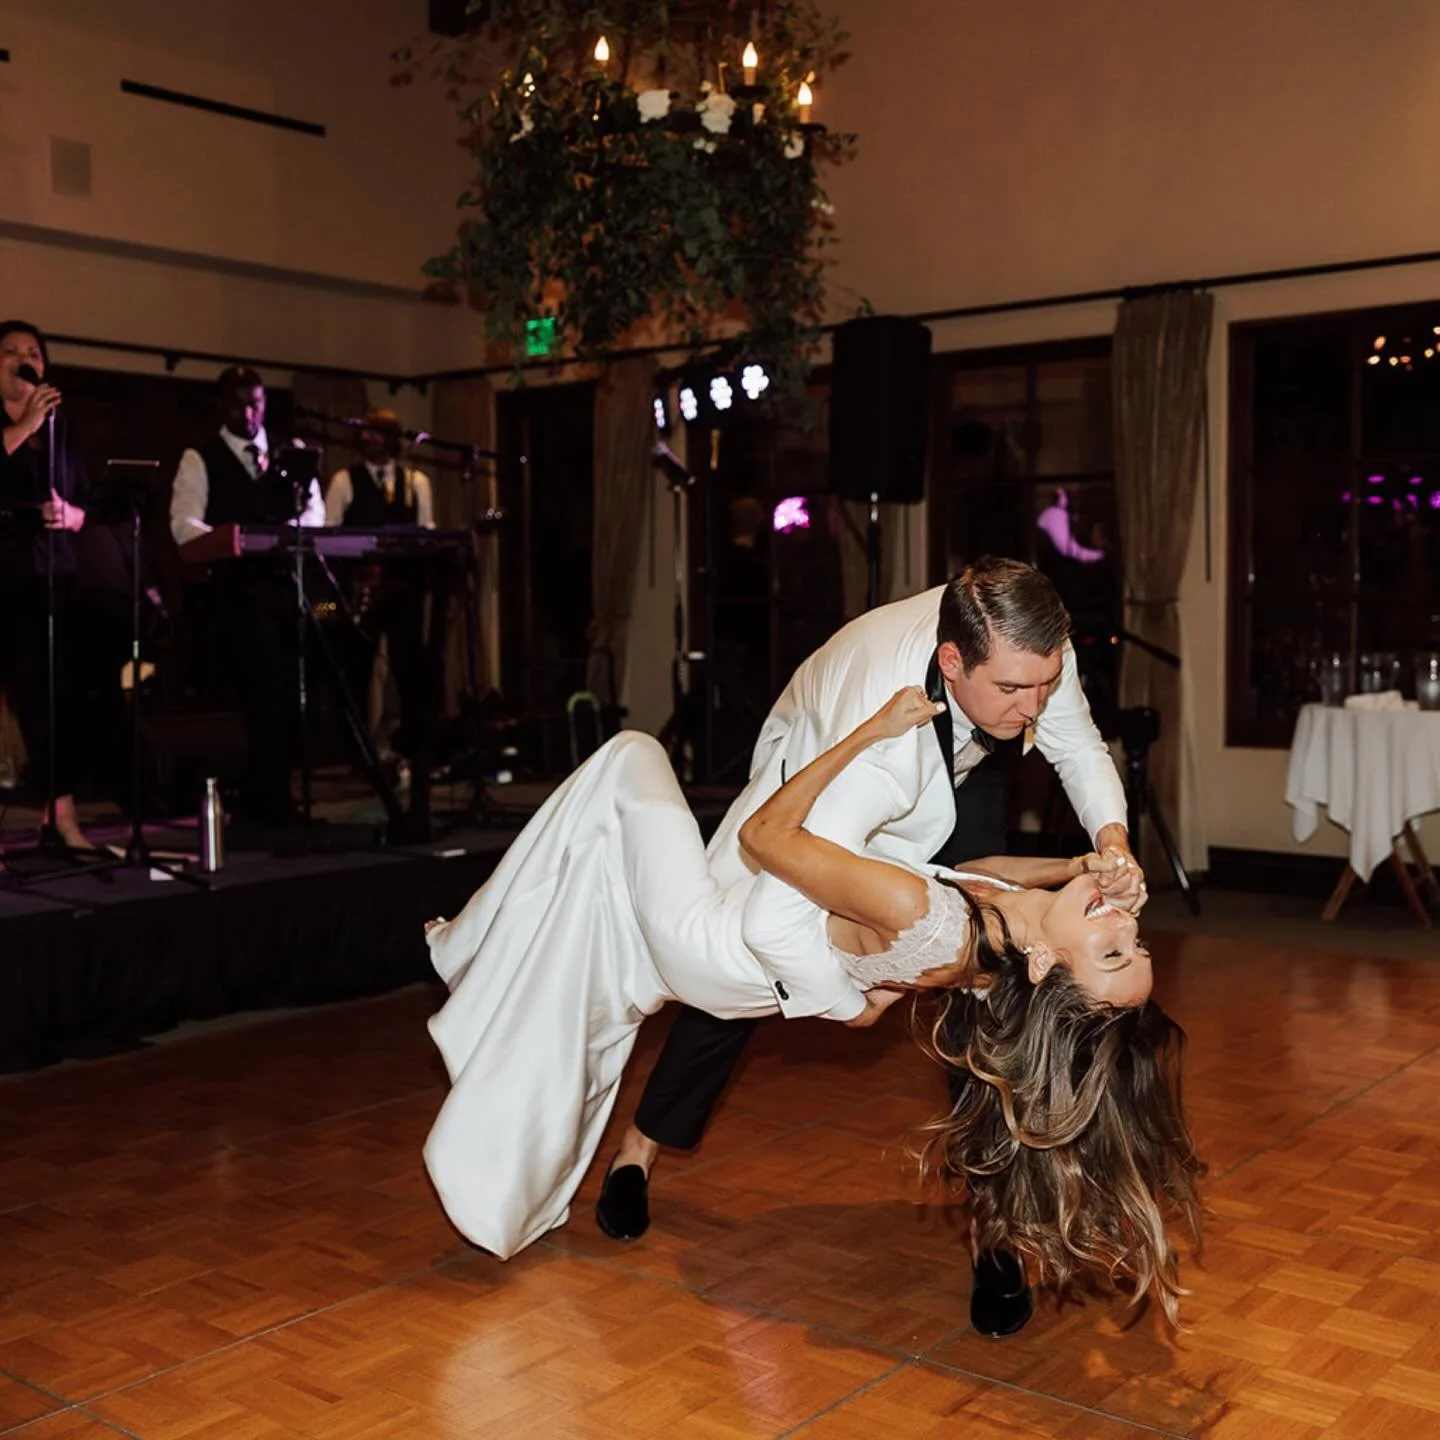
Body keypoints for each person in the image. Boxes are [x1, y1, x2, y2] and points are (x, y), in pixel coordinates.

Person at [423, 686, 1199, 1325]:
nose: (1127, 926)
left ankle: (469, 944)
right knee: (610, 828)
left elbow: (766, 836)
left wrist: (871, 730)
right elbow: (976, 870)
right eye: (1139, 946)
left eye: (1112, 952)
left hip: (712, 946)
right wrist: (1078, 861)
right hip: (752, 955)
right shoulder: (1003, 941)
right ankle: (471, 942)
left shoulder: (931, 921)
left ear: (1044, 966)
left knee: (632, 757)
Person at [598, 556, 1144, 1338]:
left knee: (986, 992)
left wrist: (1109, 843)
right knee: (746, 972)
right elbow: (781, 871)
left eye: (1045, 685)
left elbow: (1074, 748)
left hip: (954, 761)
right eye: (1017, 691)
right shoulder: (884, 712)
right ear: (953, 663)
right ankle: (639, 1149)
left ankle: (997, 1227)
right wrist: (845, 999)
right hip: (831, 764)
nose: (1036, 706)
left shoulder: (1031, 653)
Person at [170, 367, 325, 823]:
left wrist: (286, 534)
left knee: (296, 691)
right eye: (239, 403)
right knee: (253, 696)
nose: (250, 412)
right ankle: (252, 799)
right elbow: (183, 526)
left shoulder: (289, 451)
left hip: (287, 590)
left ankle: (280, 793)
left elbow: (316, 511)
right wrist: (232, 539)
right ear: (222, 406)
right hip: (233, 595)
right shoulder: (200, 457)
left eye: (256, 402)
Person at [0, 319, 94, 853]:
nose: (22, 358)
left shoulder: (59, 425)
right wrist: (21, 427)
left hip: (51, 576)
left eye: (31, 351)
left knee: (55, 701)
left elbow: (84, 498)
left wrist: (74, 515)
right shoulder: (21, 425)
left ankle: (59, 819)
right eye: (9, 352)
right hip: (4, 576)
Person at [324, 409, 435, 768]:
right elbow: (328, 536)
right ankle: (354, 751)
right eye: (366, 434)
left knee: (410, 668)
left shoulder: (415, 481)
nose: (371, 440)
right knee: (356, 668)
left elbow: (426, 534)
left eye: (379, 434)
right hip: (361, 591)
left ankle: (415, 747)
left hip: (404, 588)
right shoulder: (345, 480)